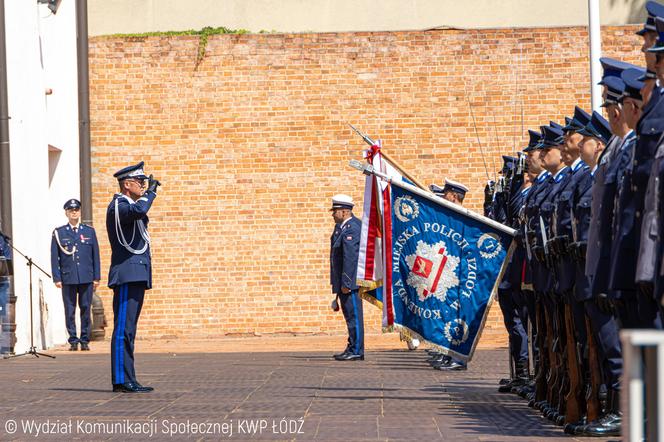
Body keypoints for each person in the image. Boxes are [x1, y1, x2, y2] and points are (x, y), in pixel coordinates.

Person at [106, 161, 160, 392]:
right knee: (123, 330)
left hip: (136, 271)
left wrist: (146, 194)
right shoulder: (119, 205)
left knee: (129, 329)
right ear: (127, 184)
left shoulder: (128, 205)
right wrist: (151, 194)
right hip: (127, 272)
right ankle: (122, 379)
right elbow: (139, 210)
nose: (143, 185)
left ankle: (128, 377)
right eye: (140, 182)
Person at [429, 179, 470, 372]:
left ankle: (458, 358)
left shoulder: (465, 219)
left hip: (460, 277)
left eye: (446, 194)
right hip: (450, 275)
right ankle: (449, 354)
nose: (444, 197)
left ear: (454, 196)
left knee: (458, 317)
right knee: (447, 315)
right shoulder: (452, 217)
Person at [50, 199, 100, 351]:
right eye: (71, 210)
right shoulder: (59, 233)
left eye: (76, 209)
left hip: (86, 276)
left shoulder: (89, 231)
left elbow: (95, 255)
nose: (74, 212)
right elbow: (54, 257)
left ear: (80, 211)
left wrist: (96, 277)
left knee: (85, 308)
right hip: (68, 277)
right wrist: (57, 278)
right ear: (66, 212)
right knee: (70, 310)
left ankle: (84, 339)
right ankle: (73, 339)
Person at [329, 194, 364, 361]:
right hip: (343, 281)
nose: (332, 214)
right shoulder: (342, 228)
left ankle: (357, 349)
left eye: (335, 211)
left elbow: (351, 258)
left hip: (350, 283)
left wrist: (347, 283)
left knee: (354, 316)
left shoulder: (353, 228)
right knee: (349, 316)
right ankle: (352, 346)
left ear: (344, 212)